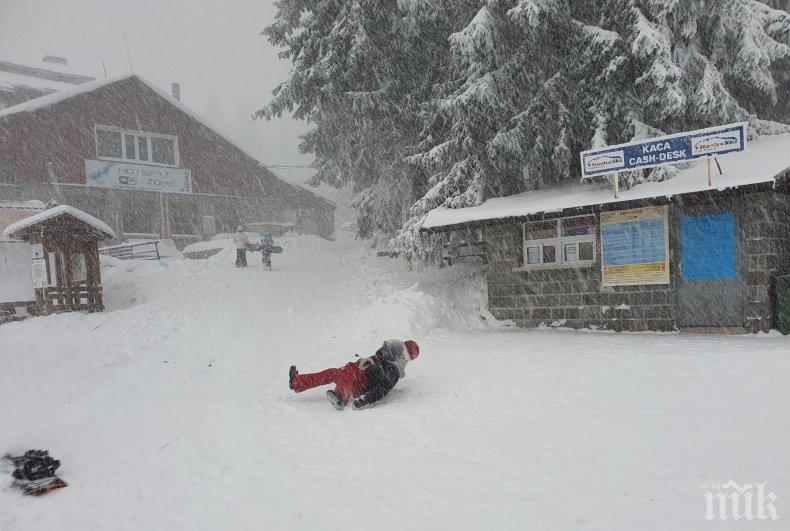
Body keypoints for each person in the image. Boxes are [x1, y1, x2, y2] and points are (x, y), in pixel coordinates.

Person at [289, 339, 420, 410]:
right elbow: (370, 363)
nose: (402, 353)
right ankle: (297, 382)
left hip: (360, 383)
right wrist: (366, 361)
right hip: (356, 373)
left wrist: (364, 400)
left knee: (346, 375)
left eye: (406, 354)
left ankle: (340, 399)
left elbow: (382, 390)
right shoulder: (385, 358)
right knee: (333, 372)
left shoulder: (393, 372)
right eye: (402, 349)